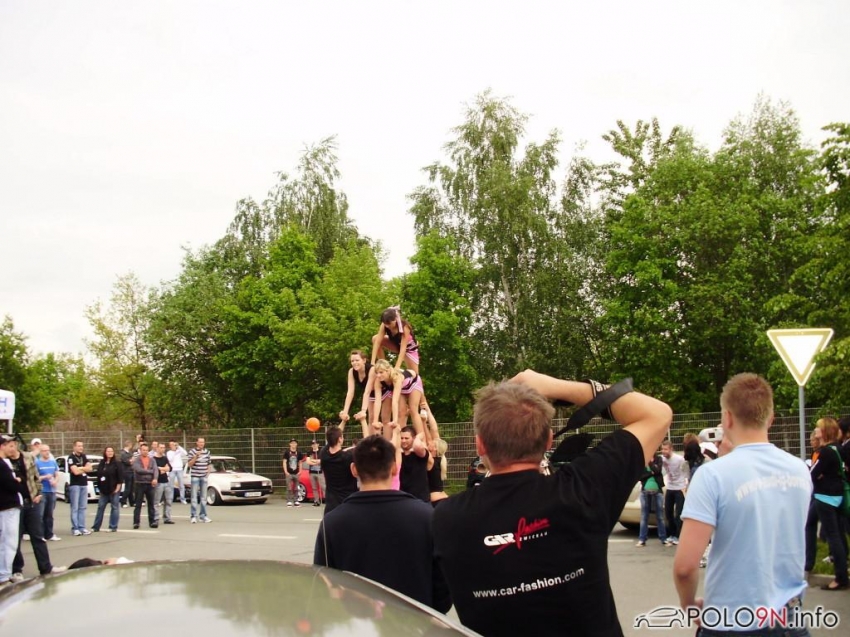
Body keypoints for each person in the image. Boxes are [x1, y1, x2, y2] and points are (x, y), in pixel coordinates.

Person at [433, 371, 672, 637]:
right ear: (549, 440)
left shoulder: (446, 519)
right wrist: (559, 387)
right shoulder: (581, 490)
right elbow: (657, 414)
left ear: (480, 445)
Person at [674, 374, 813, 634]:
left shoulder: (711, 475)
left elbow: (685, 567)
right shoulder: (799, 470)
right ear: (770, 418)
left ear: (727, 418)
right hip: (788, 618)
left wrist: (689, 605)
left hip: (730, 621)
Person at [313, 434, 450, 612]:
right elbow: (443, 589)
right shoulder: (427, 516)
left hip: (355, 621)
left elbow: (324, 584)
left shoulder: (332, 523)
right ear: (394, 468)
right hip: (415, 621)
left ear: (354, 469)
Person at [804, 417, 848, 590]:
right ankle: (809, 563)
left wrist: (818, 474)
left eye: (818, 428)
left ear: (824, 432)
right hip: (835, 495)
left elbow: (811, 474)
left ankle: (840, 577)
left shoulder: (826, 452)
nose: (816, 430)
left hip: (825, 497)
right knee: (816, 525)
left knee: (833, 535)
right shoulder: (838, 448)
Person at [8, 439, 60, 578]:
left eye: (12, 446)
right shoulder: (5, 461)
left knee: (38, 536)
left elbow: (36, 477)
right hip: (15, 504)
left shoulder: (28, 457)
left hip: (32, 500)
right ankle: (17, 569)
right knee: (15, 538)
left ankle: (46, 567)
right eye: (7, 446)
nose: (10, 449)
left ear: (16, 446)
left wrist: (39, 492)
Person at [370, 359, 429, 442]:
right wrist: (375, 420)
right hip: (401, 388)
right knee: (401, 413)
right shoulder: (378, 381)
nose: (378, 375)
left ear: (388, 371)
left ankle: (423, 441)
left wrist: (394, 421)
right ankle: (400, 441)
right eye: (377, 373)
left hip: (413, 383)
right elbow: (378, 401)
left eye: (381, 372)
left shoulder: (396, 377)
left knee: (413, 410)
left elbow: (395, 401)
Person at [319, 426, 358, 514]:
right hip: (348, 504)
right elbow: (367, 445)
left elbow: (331, 439)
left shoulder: (324, 455)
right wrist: (363, 421)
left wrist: (343, 421)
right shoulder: (348, 456)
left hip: (331, 506)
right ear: (340, 439)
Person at [0, 434, 23, 585]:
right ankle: (4, 575)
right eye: (7, 445)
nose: (11, 448)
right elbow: (12, 485)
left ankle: (4, 573)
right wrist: (17, 481)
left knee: (5, 541)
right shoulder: (2, 465)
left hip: (6, 507)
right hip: (8, 507)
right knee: (9, 542)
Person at [370, 307, 420, 373]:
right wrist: (372, 362)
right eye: (385, 324)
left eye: (389, 324)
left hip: (408, 348)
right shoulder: (385, 324)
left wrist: (397, 367)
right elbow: (377, 342)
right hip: (396, 345)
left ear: (395, 320)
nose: (387, 326)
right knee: (375, 338)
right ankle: (383, 365)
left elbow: (403, 349)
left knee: (415, 375)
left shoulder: (405, 327)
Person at [636, 450, 669, 547]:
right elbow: (640, 476)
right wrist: (651, 472)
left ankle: (663, 538)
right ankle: (642, 539)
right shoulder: (642, 460)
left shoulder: (658, 459)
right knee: (644, 516)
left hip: (657, 491)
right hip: (645, 491)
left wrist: (650, 463)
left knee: (660, 516)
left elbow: (658, 471)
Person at [661, 439, 688, 545]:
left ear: (671, 449)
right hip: (670, 487)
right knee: (668, 512)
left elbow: (686, 470)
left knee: (679, 513)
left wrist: (685, 483)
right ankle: (672, 534)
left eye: (666, 449)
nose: (664, 451)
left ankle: (678, 535)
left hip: (679, 487)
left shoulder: (679, 459)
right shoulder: (663, 459)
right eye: (662, 449)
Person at [340, 350, 375, 431]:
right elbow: (350, 392)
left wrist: (363, 410)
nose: (354, 363)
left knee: (384, 419)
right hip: (371, 394)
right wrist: (345, 411)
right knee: (371, 419)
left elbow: (367, 391)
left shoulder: (371, 369)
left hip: (383, 391)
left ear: (364, 360)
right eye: (352, 361)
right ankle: (371, 439)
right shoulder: (351, 371)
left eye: (357, 360)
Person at [92, 445, 123, 532]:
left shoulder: (117, 463)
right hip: (103, 490)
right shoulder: (102, 463)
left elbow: (120, 477)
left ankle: (113, 526)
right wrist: (99, 487)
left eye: (111, 451)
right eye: (108, 451)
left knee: (114, 508)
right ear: (105, 453)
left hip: (114, 489)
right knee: (100, 507)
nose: (110, 453)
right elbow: (98, 475)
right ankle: (96, 526)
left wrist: (117, 489)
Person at [67, 439, 93, 536]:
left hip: (83, 483)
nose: (81, 448)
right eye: (79, 446)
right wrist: (83, 469)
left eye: (82, 446)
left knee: (83, 507)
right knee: (75, 507)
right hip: (75, 484)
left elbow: (90, 468)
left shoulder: (83, 456)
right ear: (74, 447)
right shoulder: (71, 457)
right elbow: (75, 472)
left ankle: (82, 527)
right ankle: (75, 528)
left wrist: (81, 468)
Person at [34, 443, 60, 541]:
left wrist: (55, 481)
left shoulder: (53, 462)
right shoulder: (37, 463)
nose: (47, 452)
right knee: (40, 514)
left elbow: (57, 474)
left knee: (49, 514)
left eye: (48, 450)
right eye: (45, 451)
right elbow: (35, 478)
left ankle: (49, 534)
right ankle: (40, 535)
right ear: (41, 452)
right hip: (42, 491)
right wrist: (44, 477)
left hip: (51, 491)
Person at [399, 426, 431, 503]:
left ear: (413, 438)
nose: (403, 441)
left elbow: (417, 446)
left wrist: (418, 437)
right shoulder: (399, 454)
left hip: (420, 499)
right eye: (401, 438)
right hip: (403, 499)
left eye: (406, 438)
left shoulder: (420, 454)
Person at [131, 443, 158, 529]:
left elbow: (155, 470)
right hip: (139, 483)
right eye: (143, 450)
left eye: (147, 450)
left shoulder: (152, 460)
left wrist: (155, 478)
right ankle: (136, 522)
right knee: (138, 504)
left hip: (150, 484)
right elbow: (139, 470)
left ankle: (152, 521)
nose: (145, 451)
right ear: (140, 450)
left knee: (151, 504)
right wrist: (150, 471)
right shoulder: (137, 460)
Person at [187, 437, 212, 524]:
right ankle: (193, 516)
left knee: (204, 497)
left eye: (203, 442)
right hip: (195, 476)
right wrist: (196, 456)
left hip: (203, 476)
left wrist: (208, 473)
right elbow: (190, 464)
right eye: (200, 442)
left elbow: (209, 463)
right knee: (194, 497)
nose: (201, 444)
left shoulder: (207, 452)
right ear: (197, 443)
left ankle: (203, 516)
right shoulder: (192, 451)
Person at [153, 443, 174, 525]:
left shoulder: (165, 458)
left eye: (164, 448)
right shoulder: (153, 459)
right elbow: (156, 470)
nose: (163, 449)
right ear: (157, 448)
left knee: (168, 501)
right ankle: (155, 518)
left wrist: (162, 469)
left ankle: (167, 518)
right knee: (156, 501)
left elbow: (170, 468)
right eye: (161, 447)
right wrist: (164, 468)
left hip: (166, 481)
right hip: (158, 482)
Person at [282, 439, 305, 508]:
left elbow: (300, 462)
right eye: (292, 443)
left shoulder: (299, 453)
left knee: (296, 488)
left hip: (296, 473)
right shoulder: (287, 452)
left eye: (295, 443)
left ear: (296, 444)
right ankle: (289, 501)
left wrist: (300, 471)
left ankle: (296, 500)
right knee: (289, 487)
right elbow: (284, 462)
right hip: (289, 473)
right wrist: (286, 471)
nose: (293, 444)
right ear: (290, 444)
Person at [304, 440, 325, 507]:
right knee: (314, 488)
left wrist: (313, 461)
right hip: (312, 473)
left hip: (320, 472)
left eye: (315, 444)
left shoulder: (321, 452)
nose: (314, 445)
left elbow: (322, 461)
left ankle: (327, 500)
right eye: (313, 444)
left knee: (323, 487)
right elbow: (308, 462)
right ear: (311, 445)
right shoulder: (309, 452)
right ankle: (316, 501)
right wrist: (316, 462)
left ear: (318, 444)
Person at [167, 439, 188, 504]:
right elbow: (170, 459)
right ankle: (170, 499)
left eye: (173, 444)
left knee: (181, 485)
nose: (172, 446)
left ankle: (182, 499)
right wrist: (174, 452)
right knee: (171, 485)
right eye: (171, 445)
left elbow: (185, 453)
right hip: (172, 470)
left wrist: (178, 447)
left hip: (179, 469)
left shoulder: (179, 451)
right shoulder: (169, 452)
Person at [119, 439, 135, 507]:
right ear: (129, 444)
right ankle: (123, 501)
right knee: (128, 487)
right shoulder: (123, 453)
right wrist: (131, 460)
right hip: (126, 471)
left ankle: (132, 502)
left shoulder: (129, 453)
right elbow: (127, 462)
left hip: (131, 471)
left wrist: (132, 460)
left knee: (131, 487)